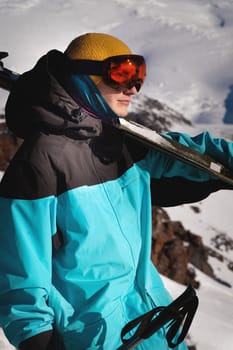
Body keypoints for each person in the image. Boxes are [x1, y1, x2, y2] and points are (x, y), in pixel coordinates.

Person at [0, 32, 232, 350]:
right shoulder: (38, 165)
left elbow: (187, 158)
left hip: (154, 325)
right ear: (82, 76)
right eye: (121, 72)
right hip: (98, 340)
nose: (133, 87)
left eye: (139, 76)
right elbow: (20, 287)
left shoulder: (118, 144)